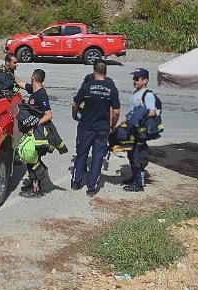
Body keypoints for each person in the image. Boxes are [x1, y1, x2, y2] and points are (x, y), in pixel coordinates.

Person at [71, 60, 120, 197]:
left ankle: (76, 182)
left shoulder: (87, 86)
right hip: (102, 128)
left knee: (81, 154)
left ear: (94, 71)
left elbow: (75, 104)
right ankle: (91, 187)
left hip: (86, 126)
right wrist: (113, 125)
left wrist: (75, 115)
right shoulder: (111, 88)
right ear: (105, 72)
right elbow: (116, 111)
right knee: (98, 157)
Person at [15, 69, 68, 154]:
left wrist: (34, 125)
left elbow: (49, 115)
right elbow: (20, 83)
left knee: (33, 159)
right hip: (32, 130)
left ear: (33, 78)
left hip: (38, 133)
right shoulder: (34, 89)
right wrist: (8, 73)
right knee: (31, 158)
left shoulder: (41, 95)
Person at [123, 68, 158, 192]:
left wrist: (139, 118)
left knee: (138, 157)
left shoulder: (147, 95)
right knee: (131, 155)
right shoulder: (135, 94)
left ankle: (139, 184)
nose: (134, 81)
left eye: (137, 78)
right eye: (134, 78)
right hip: (131, 130)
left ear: (145, 80)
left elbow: (152, 111)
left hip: (140, 132)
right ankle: (134, 178)